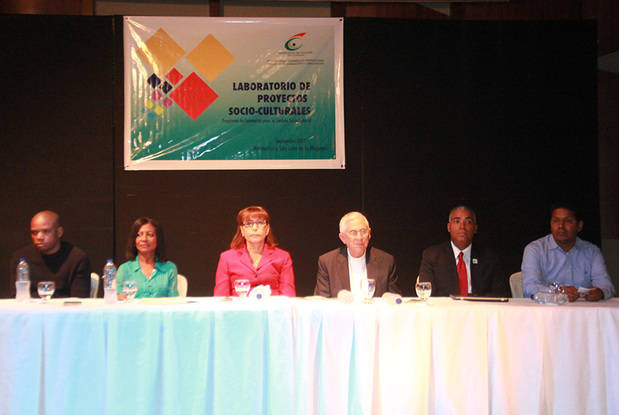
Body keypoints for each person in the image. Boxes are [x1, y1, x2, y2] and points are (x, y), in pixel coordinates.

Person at [521, 204, 615, 301]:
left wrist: (600, 292)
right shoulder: (535, 249)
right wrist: (558, 292)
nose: (561, 226)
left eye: (568, 221)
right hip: (548, 310)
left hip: (584, 311)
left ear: (579, 226)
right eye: (556, 221)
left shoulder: (592, 251)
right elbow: (529, 287)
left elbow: (606, 286)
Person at [418, 205, 507, 297]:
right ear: (449, 227)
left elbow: (500, 293)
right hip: (445, 309)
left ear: (475, 228)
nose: (462, 227)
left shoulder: (489, 257)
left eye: (468, 222)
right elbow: (427, 294)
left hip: (480, 309)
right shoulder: (432, 256)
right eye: (457, 221)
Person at [314, 211, 400, 298]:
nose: (359, 237)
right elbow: (322, 302)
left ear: (369, 234)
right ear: (342, 238)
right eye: (353, 232)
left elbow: (395, 301)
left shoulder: (386, 261)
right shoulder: (328, 262)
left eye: (363, 231)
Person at [214, 206, 296, 296]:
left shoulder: (283, 257)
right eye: (249, 224)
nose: (255, 227)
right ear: (242, 230)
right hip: (239, 309)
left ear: (267, 229)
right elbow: (220, 298)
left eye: (260, 223)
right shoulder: (227, 258)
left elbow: (289, 297)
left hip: (272, 308)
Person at [10, 210, 91, 298]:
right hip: (30, 310)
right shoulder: (21, 258)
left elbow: (80, 299)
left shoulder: (77, 258)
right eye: (34, 233)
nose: (39, 237)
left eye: (46, 231)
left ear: (59, 232)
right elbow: (16, 297)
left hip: (64, 310)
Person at [116, 217, 179, 298]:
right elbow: (118, 301)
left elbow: (174, 301)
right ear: (134, 240)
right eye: (140, 235)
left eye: (150, 235)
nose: (144, 239)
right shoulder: (125, 269)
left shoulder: (170, 268)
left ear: (158, 239)